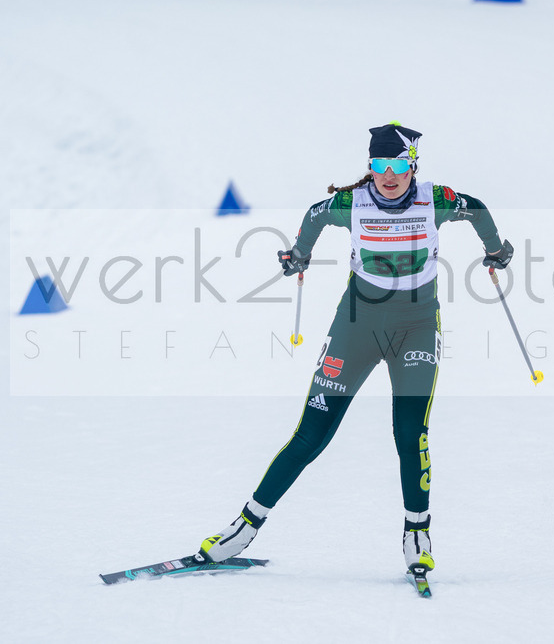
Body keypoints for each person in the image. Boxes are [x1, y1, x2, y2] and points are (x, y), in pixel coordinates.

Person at [195, 122, 513, 575]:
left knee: (410, 433)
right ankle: (243, 529)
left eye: (399, 164)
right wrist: (299, 255)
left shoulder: (435, 200)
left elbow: (477, 209)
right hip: (357, 326)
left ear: (413, 165)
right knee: (311, 434)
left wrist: (495, 250)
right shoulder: (351, 203)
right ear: (369, 167)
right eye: (380, 165)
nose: (389, 174)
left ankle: (416, 534)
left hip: (416, 328)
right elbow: (314, 214)